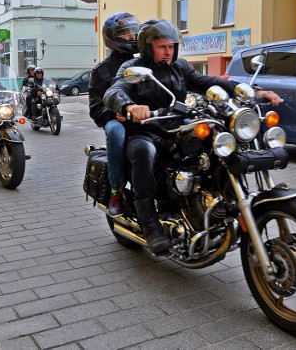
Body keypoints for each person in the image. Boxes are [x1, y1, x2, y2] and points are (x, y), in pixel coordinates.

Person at [103, 19, 282, 255]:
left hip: (177, 127)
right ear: (148, 48)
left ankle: (212, 200)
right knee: (144, 152)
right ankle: (151, 226)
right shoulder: (133, 67)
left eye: (171, 46)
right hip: (146, 130)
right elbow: (114, 91)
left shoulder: (180, 67)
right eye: (161, 47)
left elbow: (209, 82)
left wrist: (252, 92)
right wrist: (130, 106)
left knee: (215, 141)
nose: (168, 52)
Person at [88, 12, 140, 217]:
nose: (132, 37)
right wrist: (114, 114)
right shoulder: (101, 70)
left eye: (134, 32)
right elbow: (95, 108)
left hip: (143, 116)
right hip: (117, 120)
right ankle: (116, 191)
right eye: (126, 33)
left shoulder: (142, 63)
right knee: (116, 134)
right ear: (112, 39)